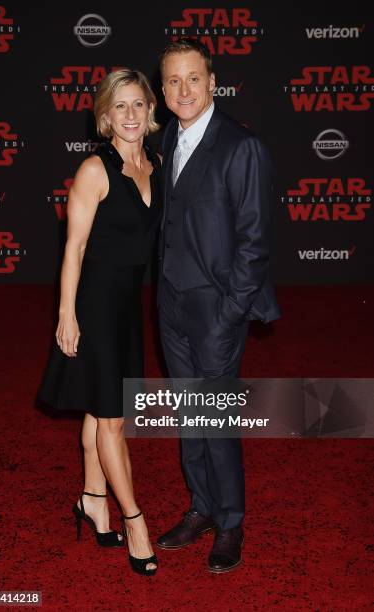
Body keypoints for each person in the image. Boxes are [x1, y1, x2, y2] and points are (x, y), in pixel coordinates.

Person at [157, 38, 280, 573]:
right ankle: (201, 507)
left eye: (193, 78)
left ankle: (230, 522)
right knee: (189, 414)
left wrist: (232, 311)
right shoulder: (167, 140)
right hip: (170, 304)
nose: (184, 89)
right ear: (163, 90)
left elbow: (255, 241)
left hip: (217, 309)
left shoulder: (240, 147)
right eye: (173, 81)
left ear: (213, 83)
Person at [38, 69, 162, 576]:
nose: (130, 115)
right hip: (93, 305)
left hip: (129, 307)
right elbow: (75, 246)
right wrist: (66, 313)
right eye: (120, 107)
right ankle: (134, 520)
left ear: (149, 112)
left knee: (103, 408)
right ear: (105, 117)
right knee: (112, 419)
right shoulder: (95, 168)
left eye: (138, 105)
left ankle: (93, 498)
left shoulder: (154, 163)